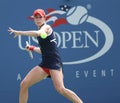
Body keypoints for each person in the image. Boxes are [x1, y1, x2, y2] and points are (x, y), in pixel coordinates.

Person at [8, 9, 83, 103]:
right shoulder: (40, 30)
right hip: (45, 64)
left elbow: (37, 33)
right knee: (24, 84)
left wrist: (20, 33)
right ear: (34, 19)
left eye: (40, 17)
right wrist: (32, 48)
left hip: (54, 63)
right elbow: (44, 51)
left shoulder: (46, 27)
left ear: (44, 18)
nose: (38, 19)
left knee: (61, 89)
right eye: (36, 17)